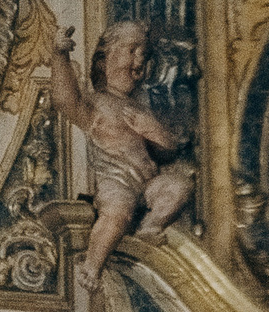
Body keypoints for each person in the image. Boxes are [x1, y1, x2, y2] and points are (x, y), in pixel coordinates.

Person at [46, 22, 192, 291]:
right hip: (116, 181)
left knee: (179, 186)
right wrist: (60, 56)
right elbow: (65, 100)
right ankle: (92, 264)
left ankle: (149, 226)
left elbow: (166, 150)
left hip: (147, 183)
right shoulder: (96, 102)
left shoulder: (139, 106)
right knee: (116, 214)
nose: (139, 61)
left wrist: (155, 131)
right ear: (104, 59)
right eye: (132, 51)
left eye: (144, 55)